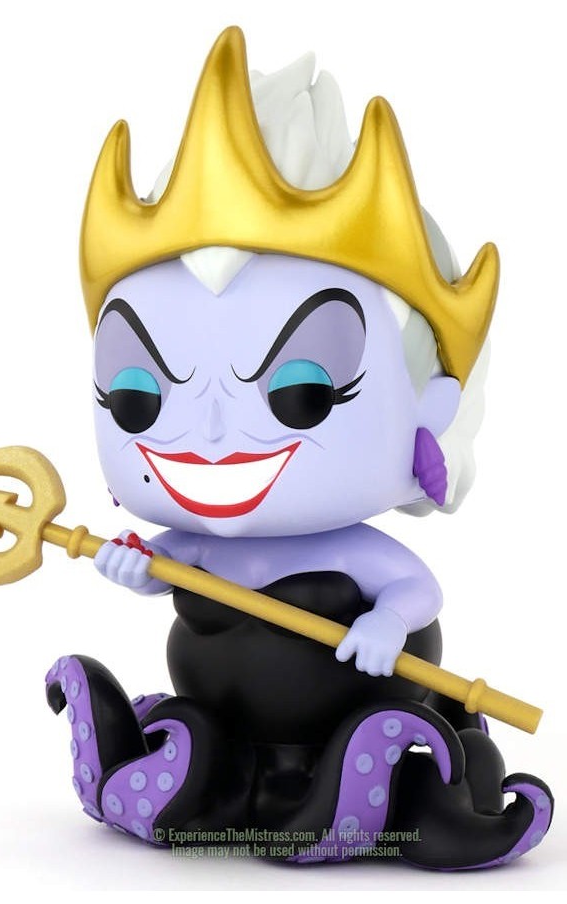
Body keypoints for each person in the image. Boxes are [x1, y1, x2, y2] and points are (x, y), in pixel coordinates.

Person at [46, 26, 552, 868]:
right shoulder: (198, 542)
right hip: (221, 732)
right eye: (137, 395)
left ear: (429, 409)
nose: (210, 435)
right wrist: (134, 564)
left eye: (302, 390)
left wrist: (387, 622)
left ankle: (368, 787)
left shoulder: (351, 549)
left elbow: (416, 589)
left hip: (346, 729)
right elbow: (165, 563)